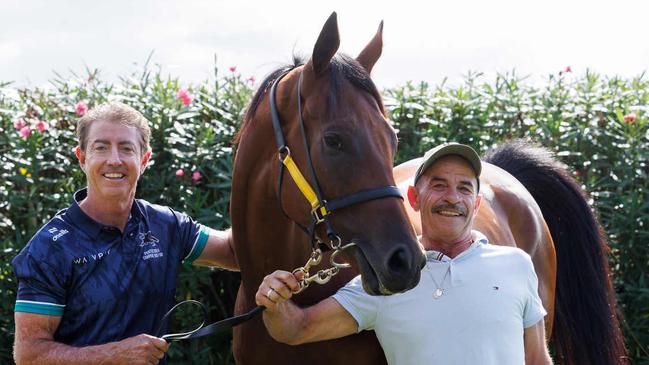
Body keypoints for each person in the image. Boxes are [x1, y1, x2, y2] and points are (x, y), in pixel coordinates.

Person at [255, 142, 553, 365]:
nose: (452, 197)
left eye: (464, 188)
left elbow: (538, 359)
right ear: (413, 198)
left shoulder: (517, 265)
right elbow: (297, 328)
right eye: (439, 185)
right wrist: (275, 303)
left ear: (475, 204)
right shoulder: (387, 280)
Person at [12, 102, 239, 365]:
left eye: (126, 148)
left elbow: (235, 252)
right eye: (100, 147)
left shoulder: (166, 225)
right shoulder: (49, 248)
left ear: (144, 160)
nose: (114, 159)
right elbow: (29, 356)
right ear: (82, 158)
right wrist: (115, 355)